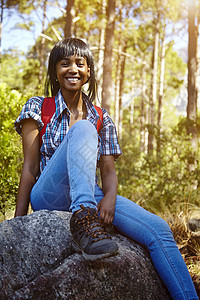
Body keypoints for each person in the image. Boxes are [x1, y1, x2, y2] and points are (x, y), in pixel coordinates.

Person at [14, 37, 198, 300]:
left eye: (80, 63)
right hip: (48, 194)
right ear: (55, 71)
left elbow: (108, 172)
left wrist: (109, 198)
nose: (73, 69)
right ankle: (84, 218)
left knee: (158, 230)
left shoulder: (102, 116)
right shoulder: (38, 107)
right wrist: (18, 226)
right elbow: (30, 169)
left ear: (89, 71)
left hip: (92, 194)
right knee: (83, 128)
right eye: (64, 63)